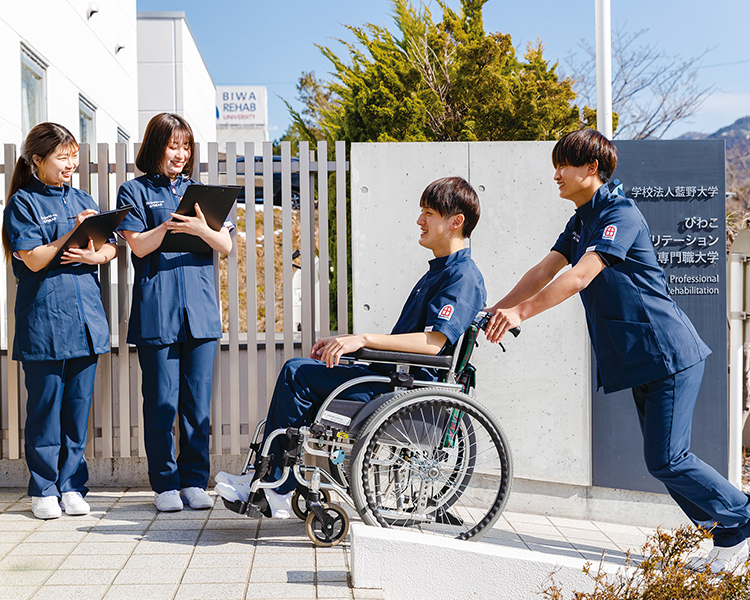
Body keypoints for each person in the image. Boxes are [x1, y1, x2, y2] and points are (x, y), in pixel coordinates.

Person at [484, 128, 750, 573]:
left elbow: (580, 276)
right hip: (640, 359)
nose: (556, 173)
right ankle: (730, 531)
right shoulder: (581, 219)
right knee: (662, 462)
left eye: (564, 164)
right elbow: (544, 270)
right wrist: (499, 307)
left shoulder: (620, 213)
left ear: (592, 169)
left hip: (667, 353)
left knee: (667, 459)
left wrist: (521, 314)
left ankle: (739, 521)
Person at [214, 176, 487, 518]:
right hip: (390, 379)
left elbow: (433, 344)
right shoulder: (440, 272)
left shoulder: (462, 276)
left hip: (404, 391)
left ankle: (277, 485)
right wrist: (350, 344)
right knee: (299, 371)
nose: (420, 221)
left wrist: (362, 340)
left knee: (297, 374)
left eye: (428, 213)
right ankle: (272, 480)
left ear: (455, 221)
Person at [116, 113, 233, 512]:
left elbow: (225, 246)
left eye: (186, 147)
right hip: (157, 312)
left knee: (197, 404)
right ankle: (165, 484)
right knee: (161, 403)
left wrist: (200, 229)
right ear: (155, 147)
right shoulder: (132, 191)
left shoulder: (202, 194)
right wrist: (169, 225)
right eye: (172, 145)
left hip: (200, 313)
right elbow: (139, 247)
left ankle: (195, 481)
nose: (180, 154)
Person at [3, 122, 117, 520]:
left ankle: (72, 485)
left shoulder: (84, 197)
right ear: (37, 159)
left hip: (86, 321)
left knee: (77, 409)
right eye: (62, 156)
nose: (71, 163)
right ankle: (44, 489)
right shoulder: (23, 204)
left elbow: (110, 249)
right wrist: (71, 232)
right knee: (45, 410)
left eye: (74, 155)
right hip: (45, 322)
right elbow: (32, 257)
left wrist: (95, 255)